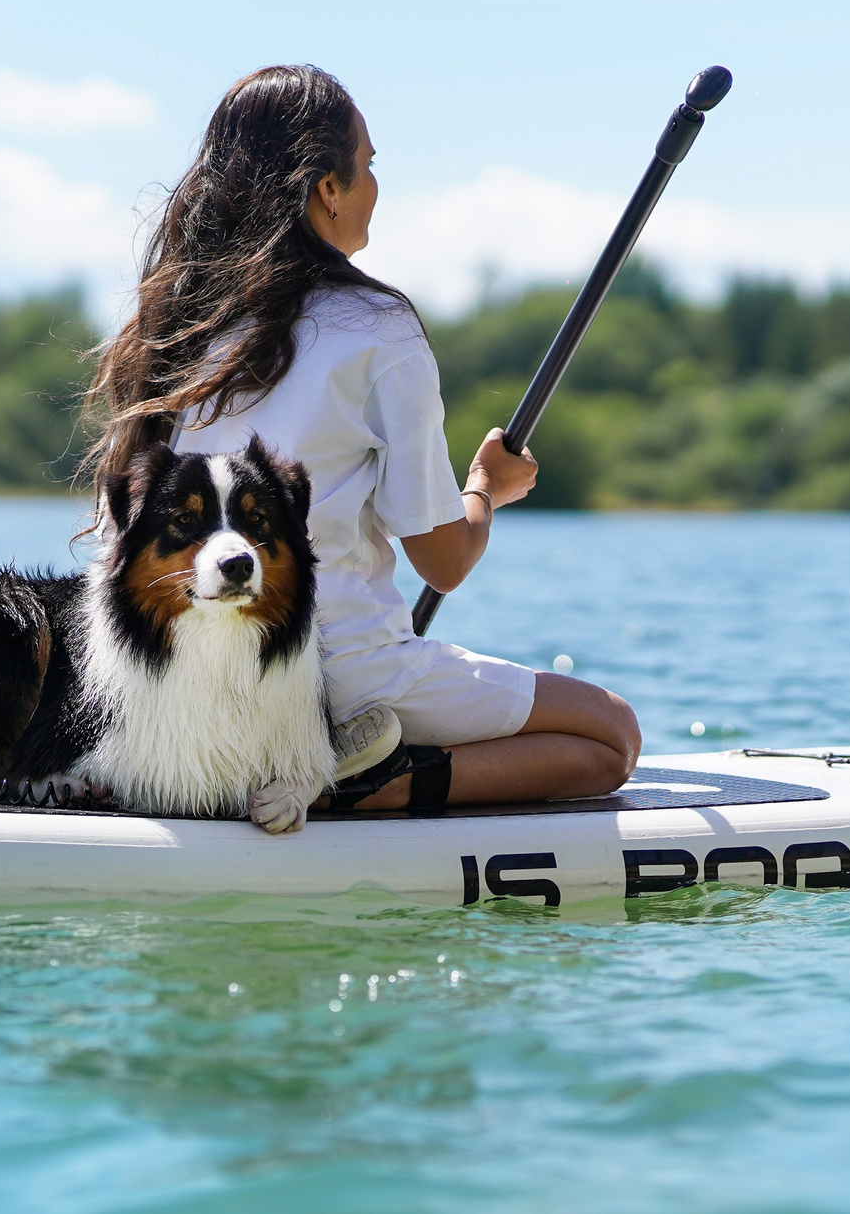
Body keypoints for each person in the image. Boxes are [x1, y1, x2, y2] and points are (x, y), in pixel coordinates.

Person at [83, 64, 641, 812]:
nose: (375, 182)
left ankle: (325, 763)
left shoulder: (177, 326)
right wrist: (485, 490)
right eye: (368, 164)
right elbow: (442, 561)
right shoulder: (379, 326)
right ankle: (374, 783)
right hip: (336, 672)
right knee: (611, 735)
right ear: (328, 189)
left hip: (182, 678)